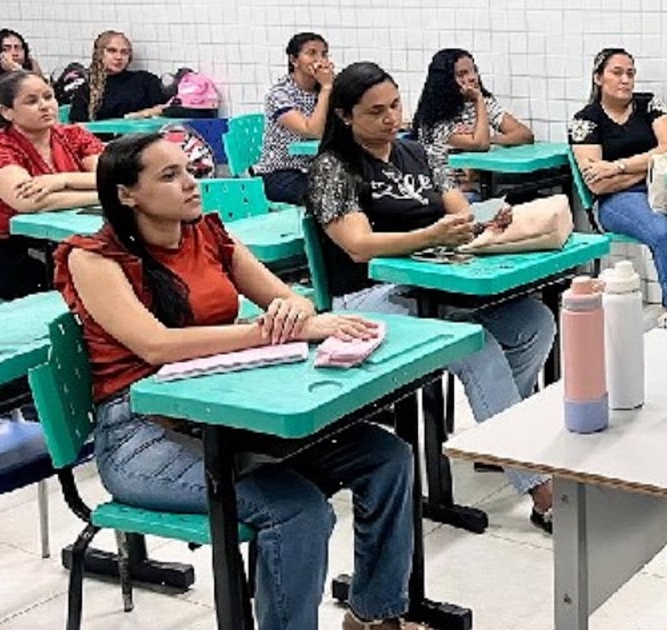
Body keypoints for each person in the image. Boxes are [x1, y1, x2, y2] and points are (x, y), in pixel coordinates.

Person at [53, 133, 422, 630]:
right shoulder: (92, 257)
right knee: (298, 511)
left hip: (223, 407)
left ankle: (374, 615)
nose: (191, 184)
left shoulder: (207, 232)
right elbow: (155, 346)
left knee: (387, 457)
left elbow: (288, 300)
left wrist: (294, 313)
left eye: (188, 169)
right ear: (126, 194)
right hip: (141, 432)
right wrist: (266, 333)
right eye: (169, 176)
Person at [305, 61, 557, 532]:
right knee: (474, 344)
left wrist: (485, 219)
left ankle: (501, 434)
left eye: (395, 105)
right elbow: (358, 245)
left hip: (434, 285)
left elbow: (458, 211)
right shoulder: (331, 169)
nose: (390, 118)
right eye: (375, 111)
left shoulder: (417, 153)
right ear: (344, 116)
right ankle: (540, 489)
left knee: (534, 321)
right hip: (365, 300)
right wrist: (430, 235)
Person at [569, 48, 667, 314]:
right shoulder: (585, 121)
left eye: (631, 74)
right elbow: (598, 185)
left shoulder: (650, 104)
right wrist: (651, 165)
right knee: (663, 233)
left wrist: (616, 167)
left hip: (664, 192)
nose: (626, 80)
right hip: (616, 202)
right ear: (598, 78)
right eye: (617, 72)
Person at [0, 71, 102, 299]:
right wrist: (105, 194)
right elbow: (29, 202)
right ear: (6, 112)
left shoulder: (74, 135)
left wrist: (62, 180)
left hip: (68, 239)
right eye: (31, 101)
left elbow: (113, 175)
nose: (44, 106)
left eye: (48, 97)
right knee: (81, 285)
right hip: (6, 249)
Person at [413, 49, 534, 201]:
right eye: (462, 74)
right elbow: (480, 144)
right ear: (445, 80)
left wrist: (491, 138)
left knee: (530, 197)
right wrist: (478, 101)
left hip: (478, 184)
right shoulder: (436, 118)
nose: (471, 78)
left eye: (473, 71)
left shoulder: (482, 103)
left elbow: (525, 135)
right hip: (446, 193)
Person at [251, 32, 335, 205]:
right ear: (294, 60)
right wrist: (327, 88)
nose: (320, 60)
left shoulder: (328, 90)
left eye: (324, 54)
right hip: (280, 173)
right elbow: (312, 131)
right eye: (311, 53)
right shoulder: (279, 94)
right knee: (327, 199)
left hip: (317, 169)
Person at [69, 30, 166, 122]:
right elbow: (77, 126)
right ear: (99, 54)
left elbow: (165, 109)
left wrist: (138, 115)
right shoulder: (86, 89)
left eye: (124, 52)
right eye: (112, 51)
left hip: (144, 137)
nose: (118, 57)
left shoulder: (145, 81)